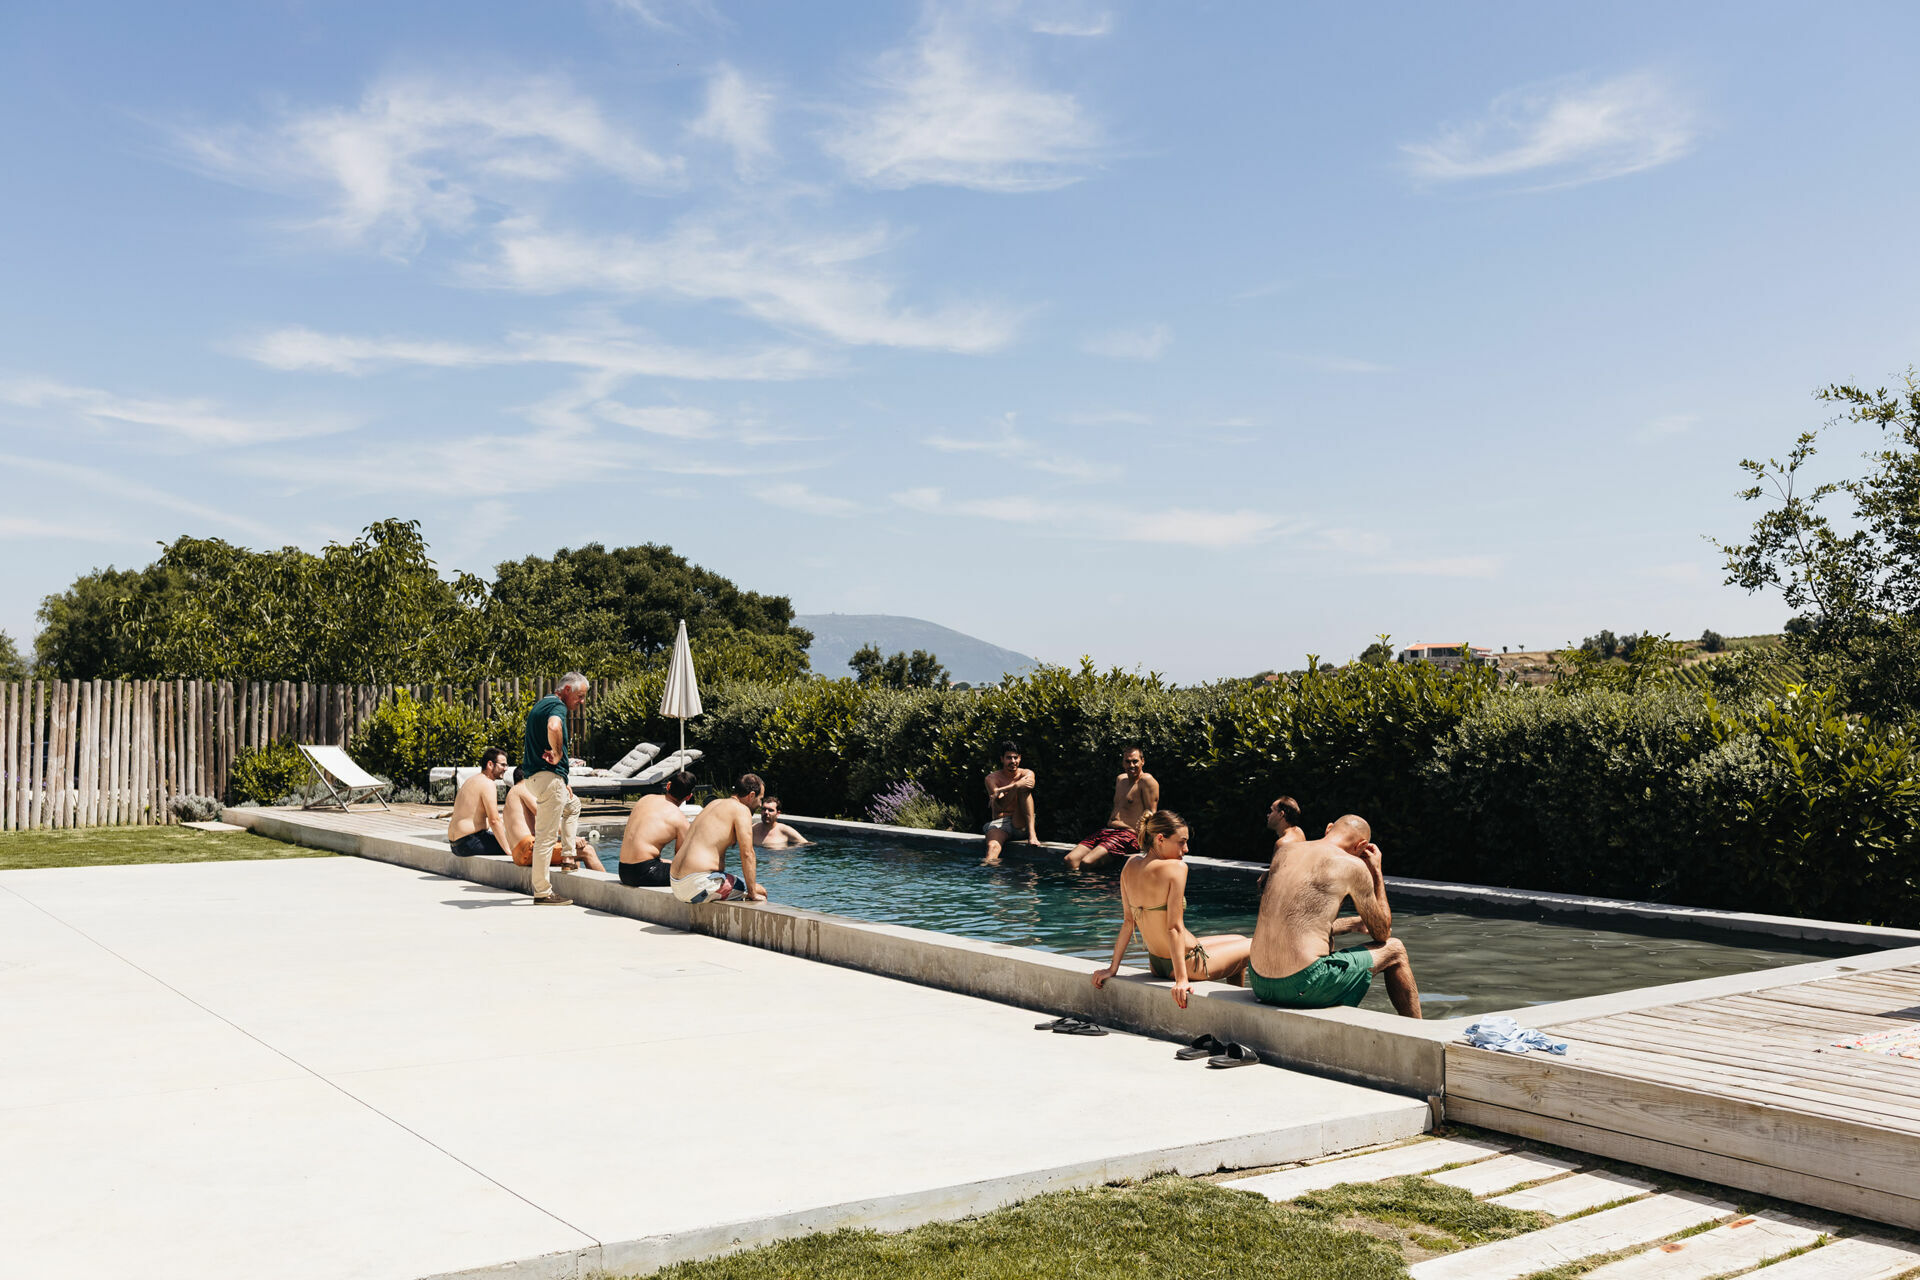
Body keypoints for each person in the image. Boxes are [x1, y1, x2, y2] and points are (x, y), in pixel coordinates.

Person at [1247, 814, 1422, 1018]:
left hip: (1260, 983)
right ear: (1362, 845)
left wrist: (1352, 925)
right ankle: (1418, 1032)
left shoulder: (1285, 851)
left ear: (1329, 828)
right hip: (1303, 986)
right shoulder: (1352, 865)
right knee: (1396, 950)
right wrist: (1376, 870)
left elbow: (1300, 922)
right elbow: (1383, 933)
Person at [1091, 811, 1250, 1008]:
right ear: (1160, 839)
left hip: (1157, 964)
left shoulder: (1130, 864)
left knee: (1239, 939)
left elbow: (1128, 922)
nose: (1186, 849)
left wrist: (1112, 968)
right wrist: (1182, 981)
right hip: (1187, 965)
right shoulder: (1176, 868)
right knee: (1252, 945)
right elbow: (1174, 928)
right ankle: (1240, 1007)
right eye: (1181, 842)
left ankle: (1235, 1001)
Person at [520, 672, 589, 905]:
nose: (581, 702)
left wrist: (563, 779)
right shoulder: (557, 707)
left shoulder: (542, 704)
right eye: (579, 696)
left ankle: (568, 857)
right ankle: (542, 892)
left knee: (573, 805)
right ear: (567, 690)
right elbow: (554, 726)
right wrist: (558, 754)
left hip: (538, 779)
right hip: (547, 779)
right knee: (546, 838)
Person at [670, 773, 769, 904]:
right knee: (760, 891)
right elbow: (747, 854)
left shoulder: (714, 804)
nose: (760, 804)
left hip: (675, 883)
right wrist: (752, 893)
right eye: (760, 798)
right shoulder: (741, 810)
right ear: (751, 795)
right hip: (697, 885)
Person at [1065, 746, 1159, 869]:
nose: (1131, 765)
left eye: (1135, 761)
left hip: (1128, 835)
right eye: (1127, 761)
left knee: (1087, 863)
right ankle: (1080, 887)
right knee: (1070, 860)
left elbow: (1152, 813)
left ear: (1143, 761)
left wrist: (1147, 842)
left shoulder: (1146, 781)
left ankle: (1095, 887)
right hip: (1109, 831)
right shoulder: (1121, 779)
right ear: (1123, 763)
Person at [502, 777, 604, 872]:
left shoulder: (512, 796)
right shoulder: (524, 787)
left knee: (572, 855)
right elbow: (545, 817)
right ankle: (609, 889)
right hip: (529, 849)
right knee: (587, 851)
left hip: (519, 855)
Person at [617, 770, 696, 887]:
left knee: (666, 863)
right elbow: (681, 864)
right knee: (694, 873)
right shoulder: (681, 821)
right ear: (689, 796)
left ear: (668, 786)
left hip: (623, 870)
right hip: (645, 873)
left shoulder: (645, 799)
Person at [446, 748, 511, 857]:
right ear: (490, 764)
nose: (506, 769)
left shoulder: (470, 780)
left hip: (456, 844)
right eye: (503, 765)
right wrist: (508, 851)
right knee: (517, 845)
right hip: (469, 842)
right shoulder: (487, 784)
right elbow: (494, 821)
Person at [982, 740, 1037, 865]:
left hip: (1021, 822)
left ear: (1020, 758)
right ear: (1002, 759)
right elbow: (1002, 805)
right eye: (1008, 758)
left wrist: (1008, 788)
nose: (1013, 761)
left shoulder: (1027, 773)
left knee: (1024, 789)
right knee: (992, 848)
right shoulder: (991, 779)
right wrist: (1016, 786)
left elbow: (1029, 785)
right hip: (1000, 824)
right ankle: (989, 878)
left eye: (1015, 757)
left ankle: (1032, 834)